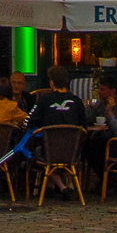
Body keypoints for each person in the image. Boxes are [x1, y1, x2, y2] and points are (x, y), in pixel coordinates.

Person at [25, 65, 87, 197]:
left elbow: (30, 122)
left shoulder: (44, 100)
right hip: (72, 153)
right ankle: (56, 186)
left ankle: (57, 186)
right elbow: (84, 127)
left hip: (49, 152)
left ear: (51, 82)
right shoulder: (77, 102)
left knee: (35, 152)